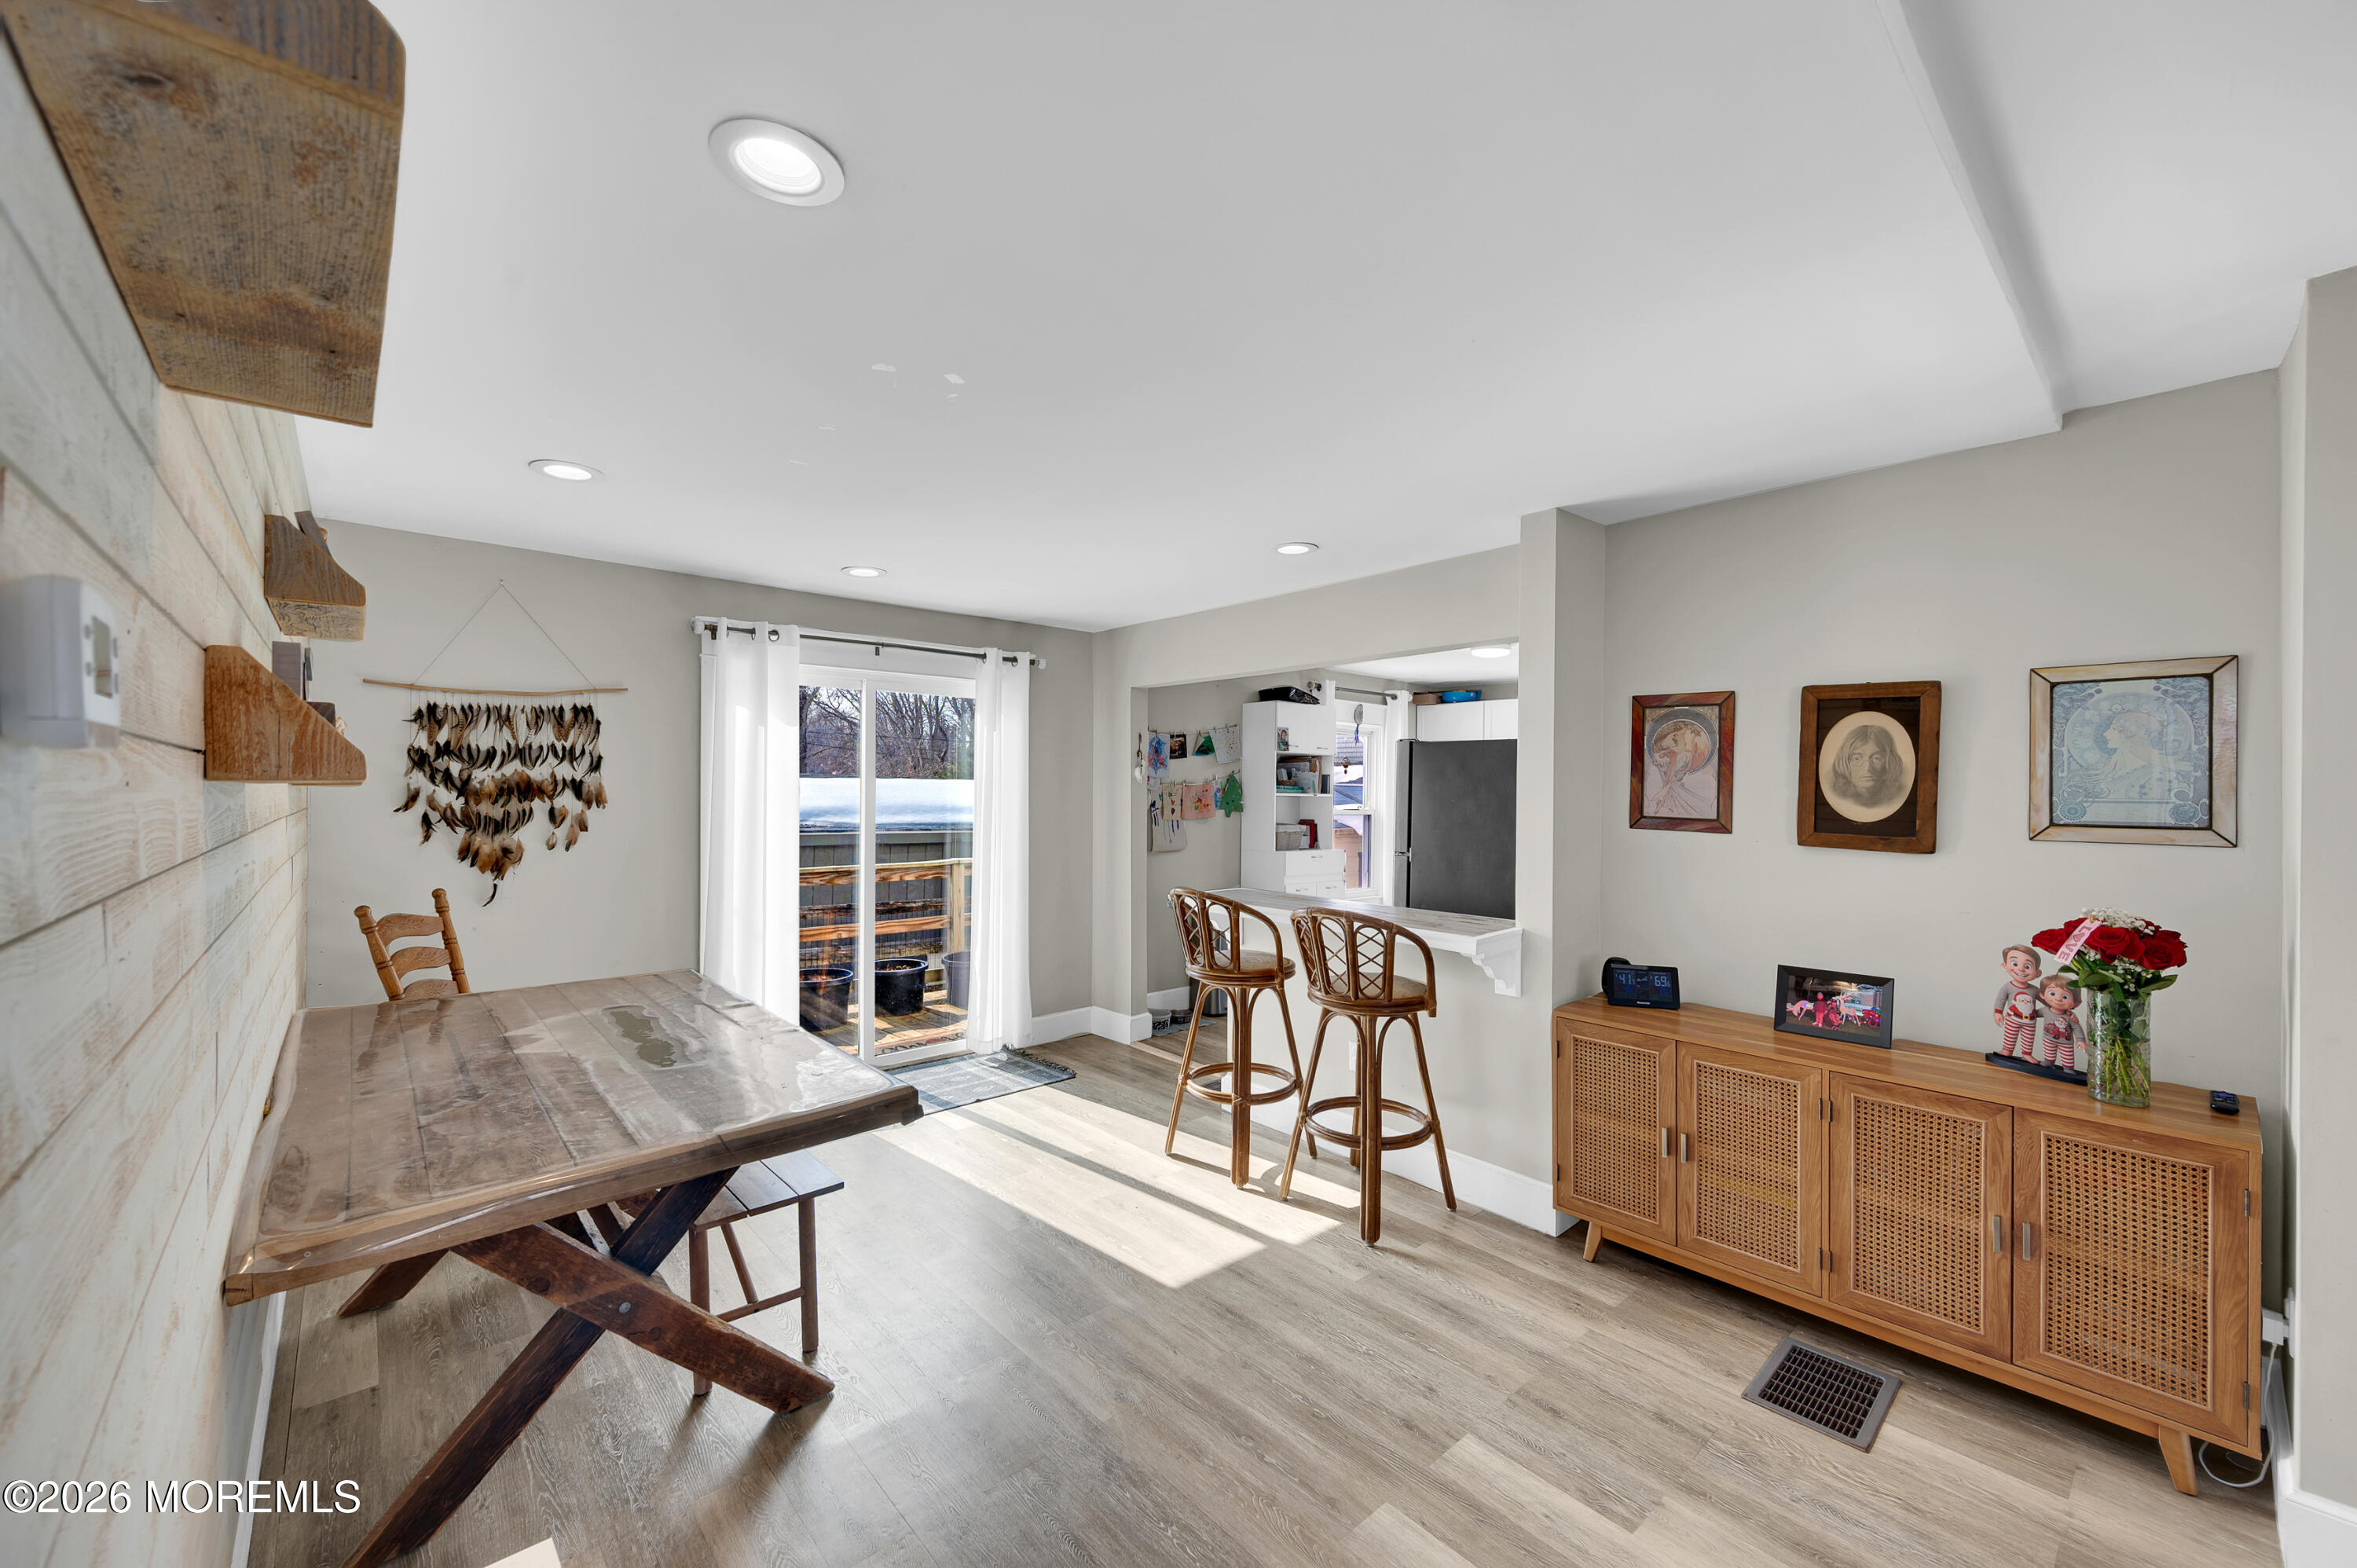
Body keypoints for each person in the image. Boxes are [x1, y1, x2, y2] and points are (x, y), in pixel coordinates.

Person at [1826, 721, 1905, 811]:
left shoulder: (1899, 796)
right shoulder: (1836, 796)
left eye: (1876, 758)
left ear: (1889, 762)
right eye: (1857, 759)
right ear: (1845, 762)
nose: (1867, 768)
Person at [1644, 716, 1714, 818]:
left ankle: (1665, 804)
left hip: (1674, 777)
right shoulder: (1663, 755)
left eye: (1679, 737)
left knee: (1676, 795)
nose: (1676, 739)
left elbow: (1672, 772)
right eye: (1675, 736)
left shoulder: (1682, 755)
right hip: (1671, 778)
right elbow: (1667, 771)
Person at [1992, 943, 2041, 1059]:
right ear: (2004, 966)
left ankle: (2027, 1054)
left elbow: (2049, 1003)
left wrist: (2063, 1010)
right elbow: (2001, 999)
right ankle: (2007, 1050)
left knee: (2028, 1039)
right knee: (2010, 1036)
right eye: (2015, 964)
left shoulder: (2035, 990)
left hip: (2030, 1022)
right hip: (2012, 1019)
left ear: (2037, 973)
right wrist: (1998, 1012)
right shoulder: (2008, 987)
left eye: (2028, 966)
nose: (2021, 969)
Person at [2038, 976, 2086, 1072]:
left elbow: (2076, 1028)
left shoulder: (2069, 1016)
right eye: (2052, 993)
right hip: (2048, 1039)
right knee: (2049, 1052)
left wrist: (2081, 1040)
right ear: (2042, 994)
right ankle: (2049, 1062)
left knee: (2067, 1056)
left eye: (2065, 997)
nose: (2058, 999)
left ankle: (2068, 1068)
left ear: (2075, 1003)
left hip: (2066, 1042)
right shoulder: (2046, 1010)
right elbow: (2034, 1014)